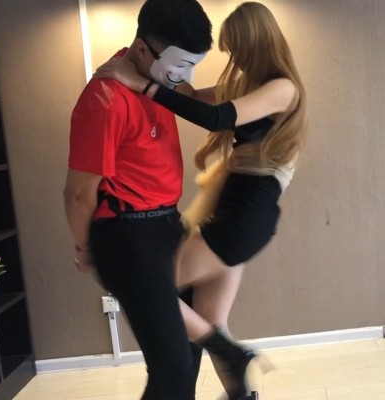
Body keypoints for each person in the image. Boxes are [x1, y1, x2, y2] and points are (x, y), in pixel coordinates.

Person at [94, 2, 307, 399]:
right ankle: (239, 387)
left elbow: (217, 118)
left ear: (256, 42)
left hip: (244, 219)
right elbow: (191, 95)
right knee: (210, 320)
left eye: (238, 48)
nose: (235, 58)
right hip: (236, 215)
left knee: (151, 292)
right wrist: (148, 71)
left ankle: (230, 356)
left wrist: (142, 85)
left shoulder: (283, 88)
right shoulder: (249, 85)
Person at [63, 1, 212, 399]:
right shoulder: (106, 96)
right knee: (172, 368)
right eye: (180, 66)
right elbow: (78, 193)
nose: (185, 77)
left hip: (167, 225)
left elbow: (201, 101)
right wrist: (86, 249)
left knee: (187, 353)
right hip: (129, 236)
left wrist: (266, 86)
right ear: (144, 49)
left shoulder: (156, 80)